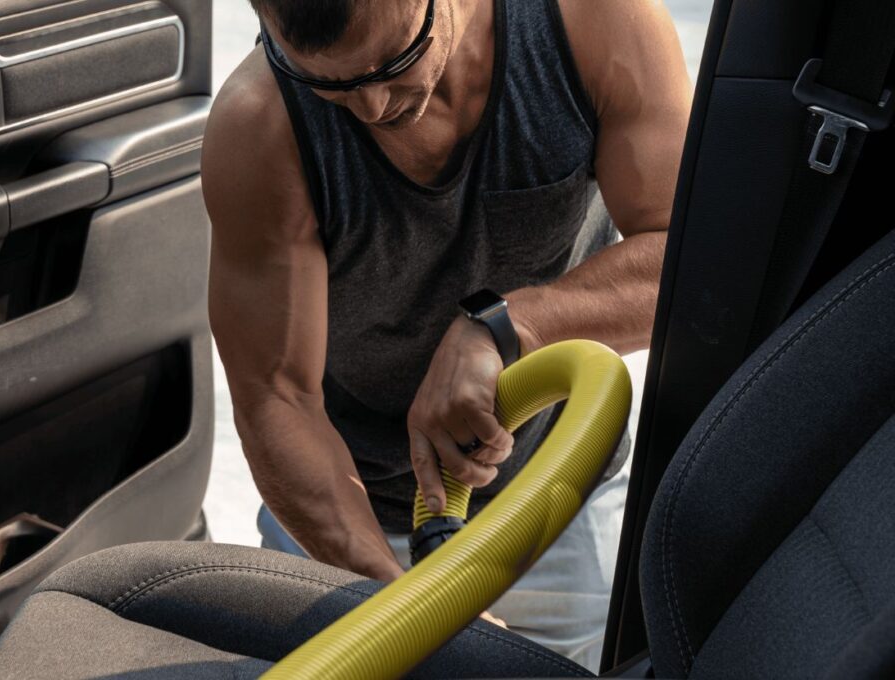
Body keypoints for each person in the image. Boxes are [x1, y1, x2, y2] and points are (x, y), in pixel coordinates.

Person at [201, 0, 691, 670]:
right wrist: (404, 603)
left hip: (553, 493)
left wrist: (509, 325)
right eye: (333, 86)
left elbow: (688, 266)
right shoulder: (259, 124)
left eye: (396, 62)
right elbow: (274, 400)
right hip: (352, 519)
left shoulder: (592, 21)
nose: (372, 106)